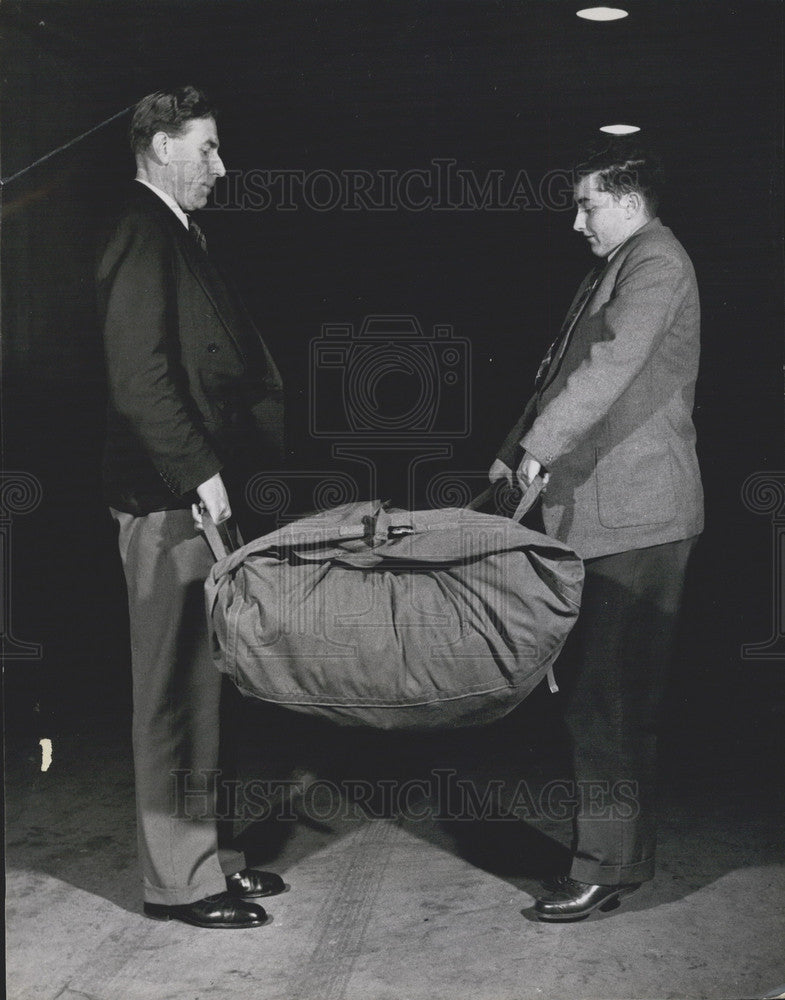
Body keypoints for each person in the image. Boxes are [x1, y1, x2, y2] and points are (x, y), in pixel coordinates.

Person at [491, 140, 703, 921]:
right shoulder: (613, 266)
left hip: (637, 520)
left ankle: (606, 866)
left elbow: (607, 369)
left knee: (605, 700)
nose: (573, 219)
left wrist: (539, 449)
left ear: (625, 201)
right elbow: (558, 370)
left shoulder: (655, 264)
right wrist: (512, 456)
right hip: (603, 516)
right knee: (595, 696)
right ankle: (614, 856)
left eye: (584, 204)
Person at [98, 86, 286, 929]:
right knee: (173, 693)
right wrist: (200, 475)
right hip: (170, 498)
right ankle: (178, 882)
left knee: (208, 686)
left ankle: (212, 859)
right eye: (207, 147)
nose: (221, 165)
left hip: (199, 495)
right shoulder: (142, 231)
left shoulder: (175, 232)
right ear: (161, 145)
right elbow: (139, 377)